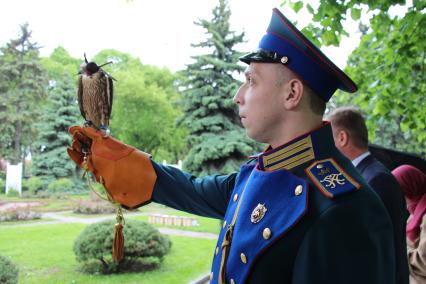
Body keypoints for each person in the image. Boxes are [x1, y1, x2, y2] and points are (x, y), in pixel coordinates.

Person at [68, 8, 395, 284]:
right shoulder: (260, 169)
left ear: (292, 94)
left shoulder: (343, 207)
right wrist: (115, 157)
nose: (237, 95)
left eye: (251, 80)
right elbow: (192, 190)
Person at [328, 106, 409, 284]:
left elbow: (382, 249)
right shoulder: (366, 174)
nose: (326, 147)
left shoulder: (377, 179)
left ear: (342, 138)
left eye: (328, 139)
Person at [393, 165, 426, 284]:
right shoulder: (415, 210)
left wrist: (398, 251)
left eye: (399, 191)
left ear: (410, 187)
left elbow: (423, 262)